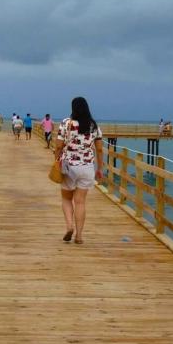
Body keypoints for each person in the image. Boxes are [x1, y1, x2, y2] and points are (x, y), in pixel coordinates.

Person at [55, 97, 103, 245]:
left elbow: (58, 145)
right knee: (80, 202)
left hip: (69, 166)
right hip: (87, 167)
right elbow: (99, 149)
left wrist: (57, 158)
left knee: (66, 198)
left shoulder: (66, 123)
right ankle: (79, 236)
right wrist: (100, 168)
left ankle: (69, 226)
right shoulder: (93, 126)